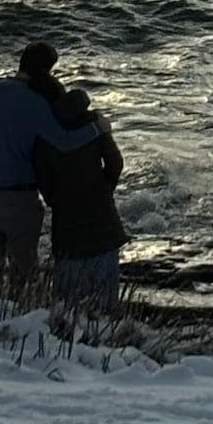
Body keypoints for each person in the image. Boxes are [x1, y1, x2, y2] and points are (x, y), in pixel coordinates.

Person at [0, 42, 96, 293]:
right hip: (18, 198)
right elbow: (64, 141)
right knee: (24, 276)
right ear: (46, 70)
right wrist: (98, 128)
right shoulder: (36, 103)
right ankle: (20, 324)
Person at [34, 87, 127, 310]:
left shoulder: (45, 137)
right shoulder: (96, 130)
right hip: (102, 221)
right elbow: (115, 164)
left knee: (66, 299)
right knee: (105, 298)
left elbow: (42, 178)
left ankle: (68, 332)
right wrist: (104, 190)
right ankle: (104, 333)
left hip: (65, 223)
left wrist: (55, 199)